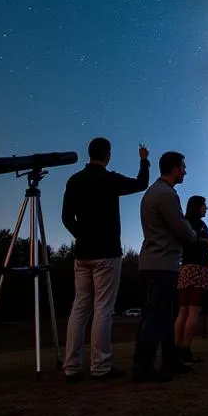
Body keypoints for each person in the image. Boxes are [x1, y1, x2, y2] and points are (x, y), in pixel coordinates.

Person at [61, 138, 150, 383]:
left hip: (83, 253)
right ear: (107, 156)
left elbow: (67, 217)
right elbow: (141, 184)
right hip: (107, 253)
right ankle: (100, 365)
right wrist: (144, 161)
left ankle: (71, 366)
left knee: (79, 308)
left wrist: (82, 236)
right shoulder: (110, 179)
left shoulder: (75, 180)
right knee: (103, 309)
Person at [132, 151, 198, 382]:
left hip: (155, 261)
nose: (185, 171)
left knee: (164, 315)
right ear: (174, 168)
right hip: (161, 264)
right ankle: (143, 367)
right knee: (156, 316)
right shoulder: (166, 195)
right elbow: (181, 228)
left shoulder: (155, 192)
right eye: (183, 167)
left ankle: (171, 361)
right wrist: (193, 235)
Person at [174, 195, 208, 363]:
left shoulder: (184, 225)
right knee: (193, 312)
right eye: (204, 205)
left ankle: (176, 349)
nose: (206, 208)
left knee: (182, 312)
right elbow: (202, 246)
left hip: (185, 269)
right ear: (197, 207)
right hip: (198, 270)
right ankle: (185, 350)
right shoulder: (199, 226)